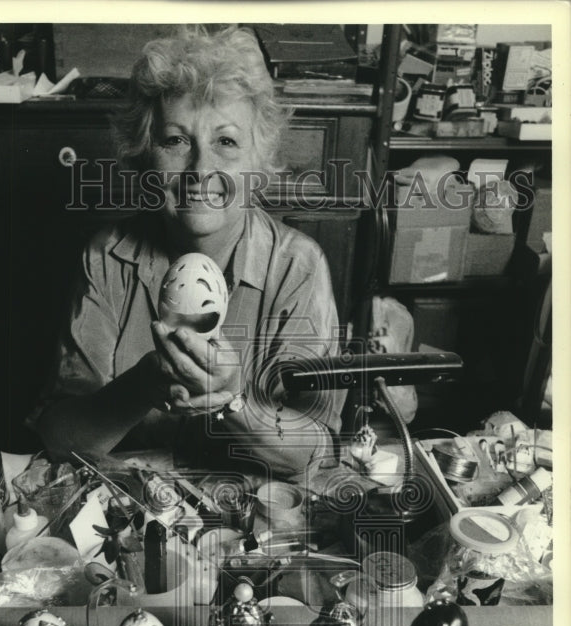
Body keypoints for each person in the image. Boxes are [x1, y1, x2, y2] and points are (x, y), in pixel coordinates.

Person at [30, 26, 345, 481]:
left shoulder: (298, 265)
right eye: (175, 141)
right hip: (132, 514)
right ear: (145, 156)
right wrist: (144, 383)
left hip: (255, 517)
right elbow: (59, 438)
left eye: (226, 142)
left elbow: (313, 451)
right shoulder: (106, 256)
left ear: (257, 164)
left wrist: (232, 401)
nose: (201, 170)